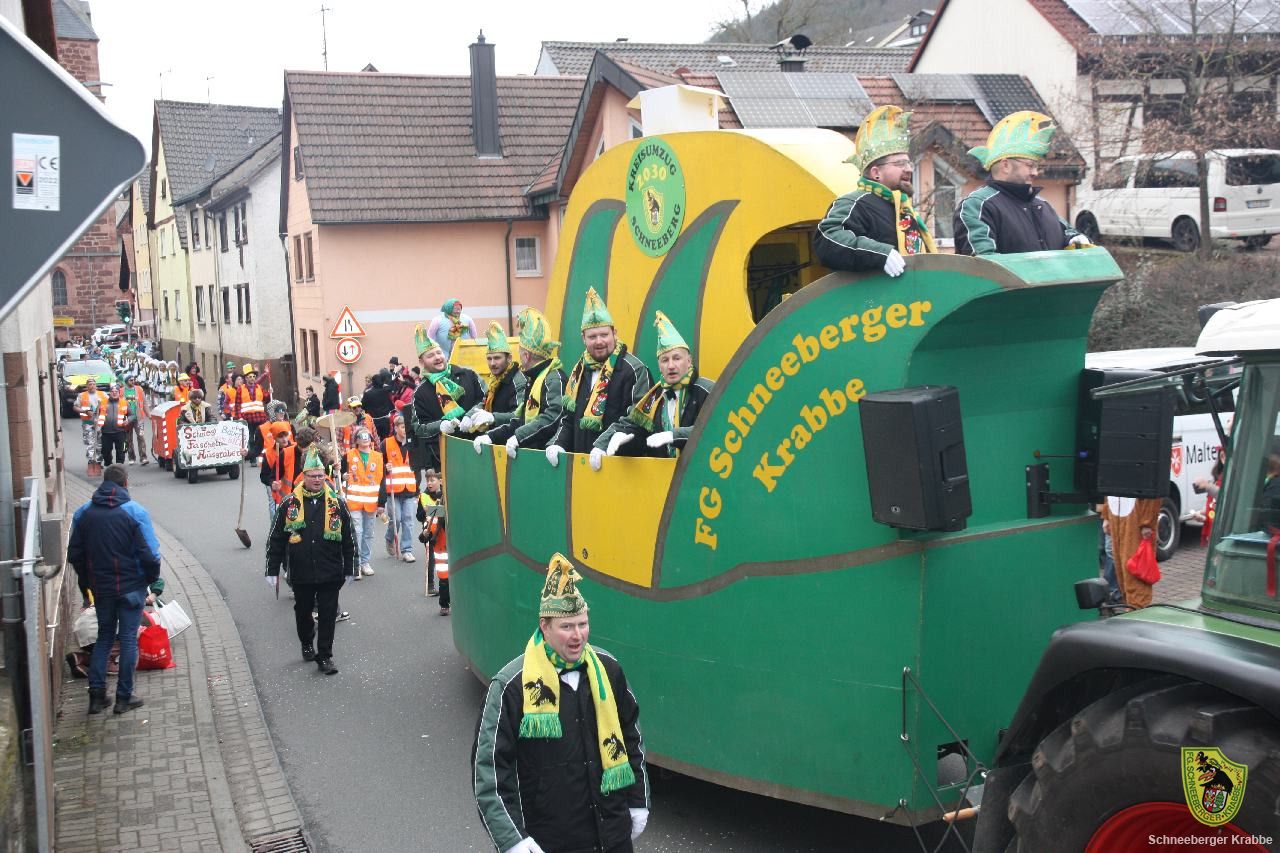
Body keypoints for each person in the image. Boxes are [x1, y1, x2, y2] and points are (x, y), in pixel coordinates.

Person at [472, 553, 650, 853]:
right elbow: (489, 769)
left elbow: (632, 738)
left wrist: (637, 799)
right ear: (545, 626)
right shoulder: (511, 686)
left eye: (583, 624)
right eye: (567, 626)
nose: (578, 635)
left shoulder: (608, 670)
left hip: (613, 836)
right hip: (550, 843)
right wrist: (513, 838)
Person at [67, 463, 162, 714]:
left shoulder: (83, 513)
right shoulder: (135, 512)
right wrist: (149, 579)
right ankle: (124, 697)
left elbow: (75, 554)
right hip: (131, 586)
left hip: (102, 588)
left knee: (105, 637)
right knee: (129, 639)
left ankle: (97, 697)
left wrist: (87, 582)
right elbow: (151, 555)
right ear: (126, 483)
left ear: (104, 482)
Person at [814, 105, 937, 277]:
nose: (909, 169)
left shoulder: (903, 208)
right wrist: (879, 253)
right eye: (900, 163)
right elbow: (828, 238)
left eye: (909, 163)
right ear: (876, 173)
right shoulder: (856, 202)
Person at [266, 447, 356, 675]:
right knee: (303, 611)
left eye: (320, 476)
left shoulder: (337, 503)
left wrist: (350, 568)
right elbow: (276, 539)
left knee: (328, 614)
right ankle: (307, 641)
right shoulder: (288, 504)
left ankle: (325, 656)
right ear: (303, 476)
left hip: (330, 570)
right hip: (302, 571)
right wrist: (272, 570)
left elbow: (349, 538)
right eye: (312, 476)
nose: (317, 480)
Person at [591, 311, 716, 469]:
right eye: (665, 360)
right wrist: (604, 443)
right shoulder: (654, 397)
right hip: (662, 479)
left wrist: (674, 435)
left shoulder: (708, 390)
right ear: (659, 366)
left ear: (689, 360)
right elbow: (631, 425)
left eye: (677, 358)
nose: (671, 365)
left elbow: (713, 429)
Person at [954, 111, 1089, 255]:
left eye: (1036, 166)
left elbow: (1067, 232)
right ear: (1006, 165)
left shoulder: (1042, 204)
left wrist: (1074, 239)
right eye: (1030, 165)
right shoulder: (977, 206)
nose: (1035, 172)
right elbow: (983, 262)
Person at [546, 288, 651, 466]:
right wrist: (558, 443)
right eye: (592, 336)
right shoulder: (579, 371)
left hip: (620, 469)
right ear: (583, 338)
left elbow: (639, 419)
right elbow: (568, 418)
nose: (599, 341)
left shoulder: (635, 370)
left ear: (614, 333)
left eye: (604, 335)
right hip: (583, 469)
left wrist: (605, 443)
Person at [479, 309, 567, 458]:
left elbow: (552, 416)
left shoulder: (553, 378)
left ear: (526, 356)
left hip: (546, 458)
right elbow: (522, 420)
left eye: (520, 353)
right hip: (532, 455)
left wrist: (519, 436)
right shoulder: (533, 379)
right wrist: (491, 436)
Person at [407, 325, 484, 475]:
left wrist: (471, 415)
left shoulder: (468, 375)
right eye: (430, 355)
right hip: (447, 458)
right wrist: (440, 426)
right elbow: (418, 427)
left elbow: (485, 400)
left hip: (479, 447)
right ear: (421, 361)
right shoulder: (420, 393)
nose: (437, 357)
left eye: (439, 352)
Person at [461, 321, 524, 434]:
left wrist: (493, 417)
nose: (492, 363)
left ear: (509, 358)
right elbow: (484, 403)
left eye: (497, 358)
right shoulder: (495, 379)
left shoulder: (518, 381)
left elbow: (518, 416)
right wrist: (469, 416)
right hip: (493, 436)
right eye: (489, 359)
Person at [1099, 496, 1161, 609]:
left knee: (1136, 567)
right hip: (1116, 511)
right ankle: (1129, 605)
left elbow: (1152, 494)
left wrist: (1147, 522)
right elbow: (1109, 490)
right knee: (1120, 568)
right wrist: (1106, 515)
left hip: (1135, 514)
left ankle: (1137, 608)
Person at [344, 428, 385, 578]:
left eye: (367, 435)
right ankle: (356, 564)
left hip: (371, 502)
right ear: (356, 440)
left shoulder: (378, 457)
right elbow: (338, 474)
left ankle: (365, 562)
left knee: (368, 533)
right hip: (354, 501)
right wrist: (341, 474)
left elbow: (382, 481)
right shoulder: (348, 455)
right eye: (361, 436)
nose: (365, 438)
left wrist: (382, 503)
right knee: (357, 532)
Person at [381, 413, 418, 563]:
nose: (405, 430)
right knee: (395, 519)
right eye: (402, 427)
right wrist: (385, 467)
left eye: (406, 427)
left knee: (408, 519)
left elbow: (418, 467)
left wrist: (417, 489)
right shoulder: (386, 443)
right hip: (393, 489)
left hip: (409, 489)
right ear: (396, 428)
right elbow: (378, 465)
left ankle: (407, 550)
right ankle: (389, 537)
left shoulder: (412, 443)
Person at [261, 417, 300, 522]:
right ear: (274, 437)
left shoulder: (297, 448)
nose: (284, 439)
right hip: (280, 496)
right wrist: (272, 483)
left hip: (298, 492)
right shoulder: (268, 454)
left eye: (286, 435)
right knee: (280, 521)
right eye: (280, 436)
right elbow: (264, 476)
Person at [417, 468, 445, 599]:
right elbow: (419, 516)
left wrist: (432, 510)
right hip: (429, 531)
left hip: (443, 530)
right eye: (427, 480)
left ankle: (446, 583)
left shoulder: (444, 495)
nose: (429, 483)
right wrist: (425, 512)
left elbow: (445, 512)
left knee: (444, 559)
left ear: (440, 481)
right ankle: (430, 585)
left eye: (432, 480)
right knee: (431, 559)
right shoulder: (423, 496)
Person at [237, 364, 272, 463]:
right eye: (250, 377)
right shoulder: (240, 389)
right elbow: (237, 405)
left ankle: (264, 457)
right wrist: (239, 417)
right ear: (246, 378)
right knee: (251, 439)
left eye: (253, 376)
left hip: (260, 417)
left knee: (262, 437)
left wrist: (269, 393)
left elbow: (266, 399)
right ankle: (252, 458)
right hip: (247, 418)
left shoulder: (259, 387)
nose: (252, 378)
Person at [98, 383, 134, 467]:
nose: (114, 393)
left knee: (122, 450)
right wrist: (96, 421)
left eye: (116, 391)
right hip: (106, 432)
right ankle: (108, 464)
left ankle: (119, 466)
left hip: (120, 431)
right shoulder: (102, 402)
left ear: (119, 393)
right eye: (112, 391)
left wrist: (128, 420)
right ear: (109, 393)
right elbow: (95, 415)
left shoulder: (125, 402)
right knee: (105, 451)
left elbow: (132, 415)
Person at [77, 377, 108, 472]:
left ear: (96, 385)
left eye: (94, 384)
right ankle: (91, 460)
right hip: (88, 423)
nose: (92, 386)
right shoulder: (82, 395)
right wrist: (85, 411)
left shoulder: (103, 395)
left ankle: (98, 460)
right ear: (87, 386)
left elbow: (109, 405)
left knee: (99, 442)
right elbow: (75, 407)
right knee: (90, 442)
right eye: (90, 384)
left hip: (100, 423)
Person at [121, 375, 149, 466]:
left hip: (139, 418)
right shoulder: (121, 391)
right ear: (126, 381)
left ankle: (143, 458)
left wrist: (149, 415)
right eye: (131, 380)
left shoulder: (139, 389)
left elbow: (144, 403)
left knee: (141, 437)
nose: (133, 381)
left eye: (133, 380)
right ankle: (131, 457)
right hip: (127, 419)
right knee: (128, 439)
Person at [361, 370, 396, 440]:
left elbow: (363, 406)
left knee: (375, 440)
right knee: (385, 439)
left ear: (372, 383)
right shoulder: (386, 390)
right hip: (385, 420)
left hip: (374, 421)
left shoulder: (368, 393)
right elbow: (391, 386)